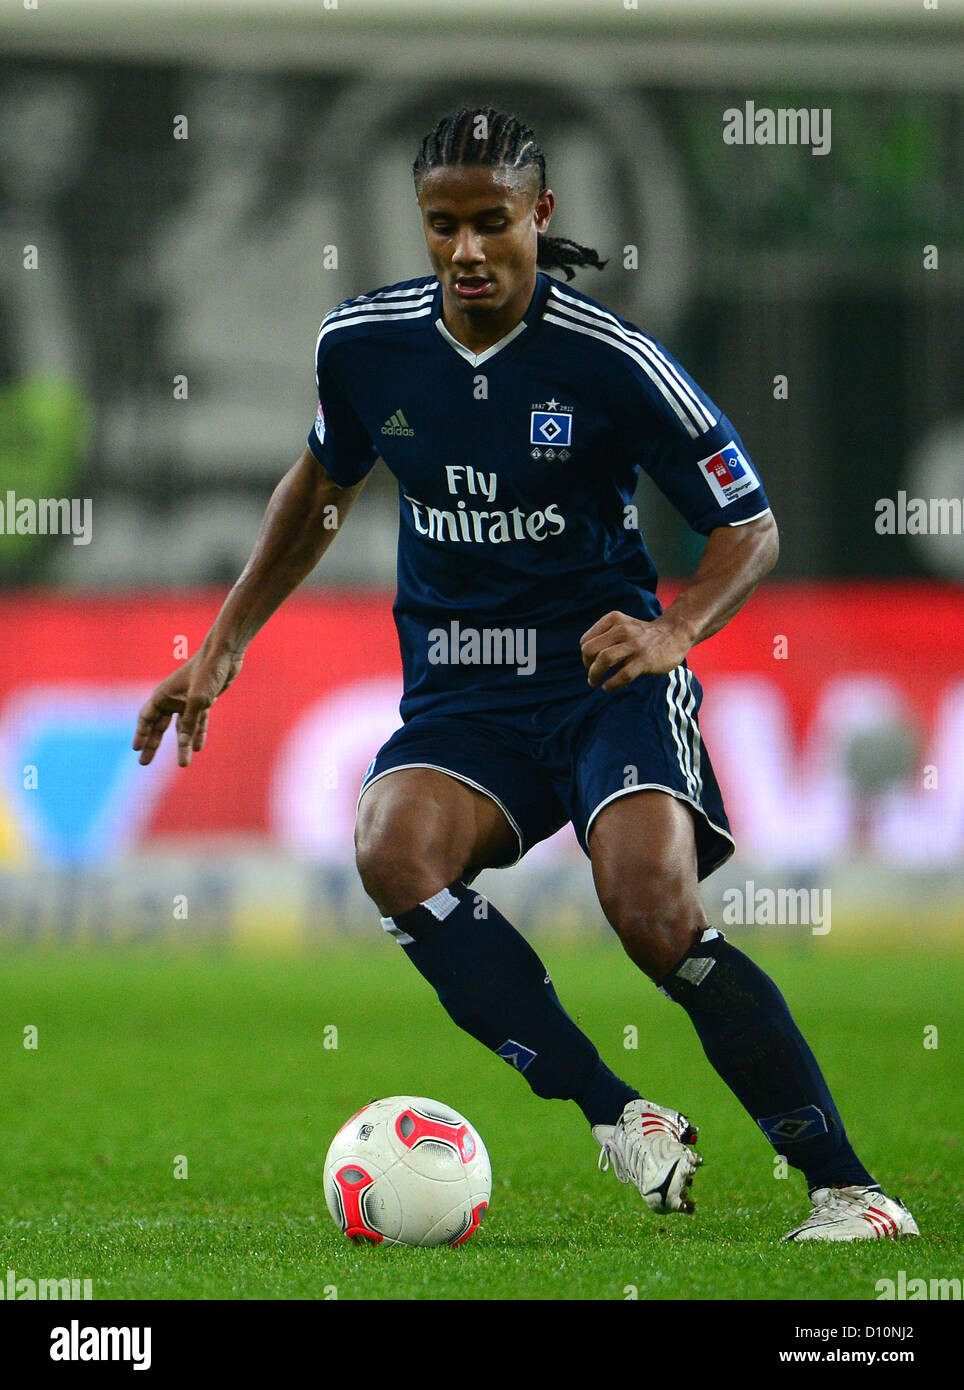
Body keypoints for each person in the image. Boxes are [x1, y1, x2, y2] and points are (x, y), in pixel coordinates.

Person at [134, 107, 918, 1243]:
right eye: (441, 224)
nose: (464, 249)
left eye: (490, 222)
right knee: (390, 847)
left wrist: (674, 629)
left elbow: (747, 524)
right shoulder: (362, 347)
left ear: (538, 217)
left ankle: (850, 1191)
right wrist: (221, 644)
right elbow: (317, 490)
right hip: (464, 693)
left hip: (607, 676)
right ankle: (617, 1113)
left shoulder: (610, 359)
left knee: (650, 913)